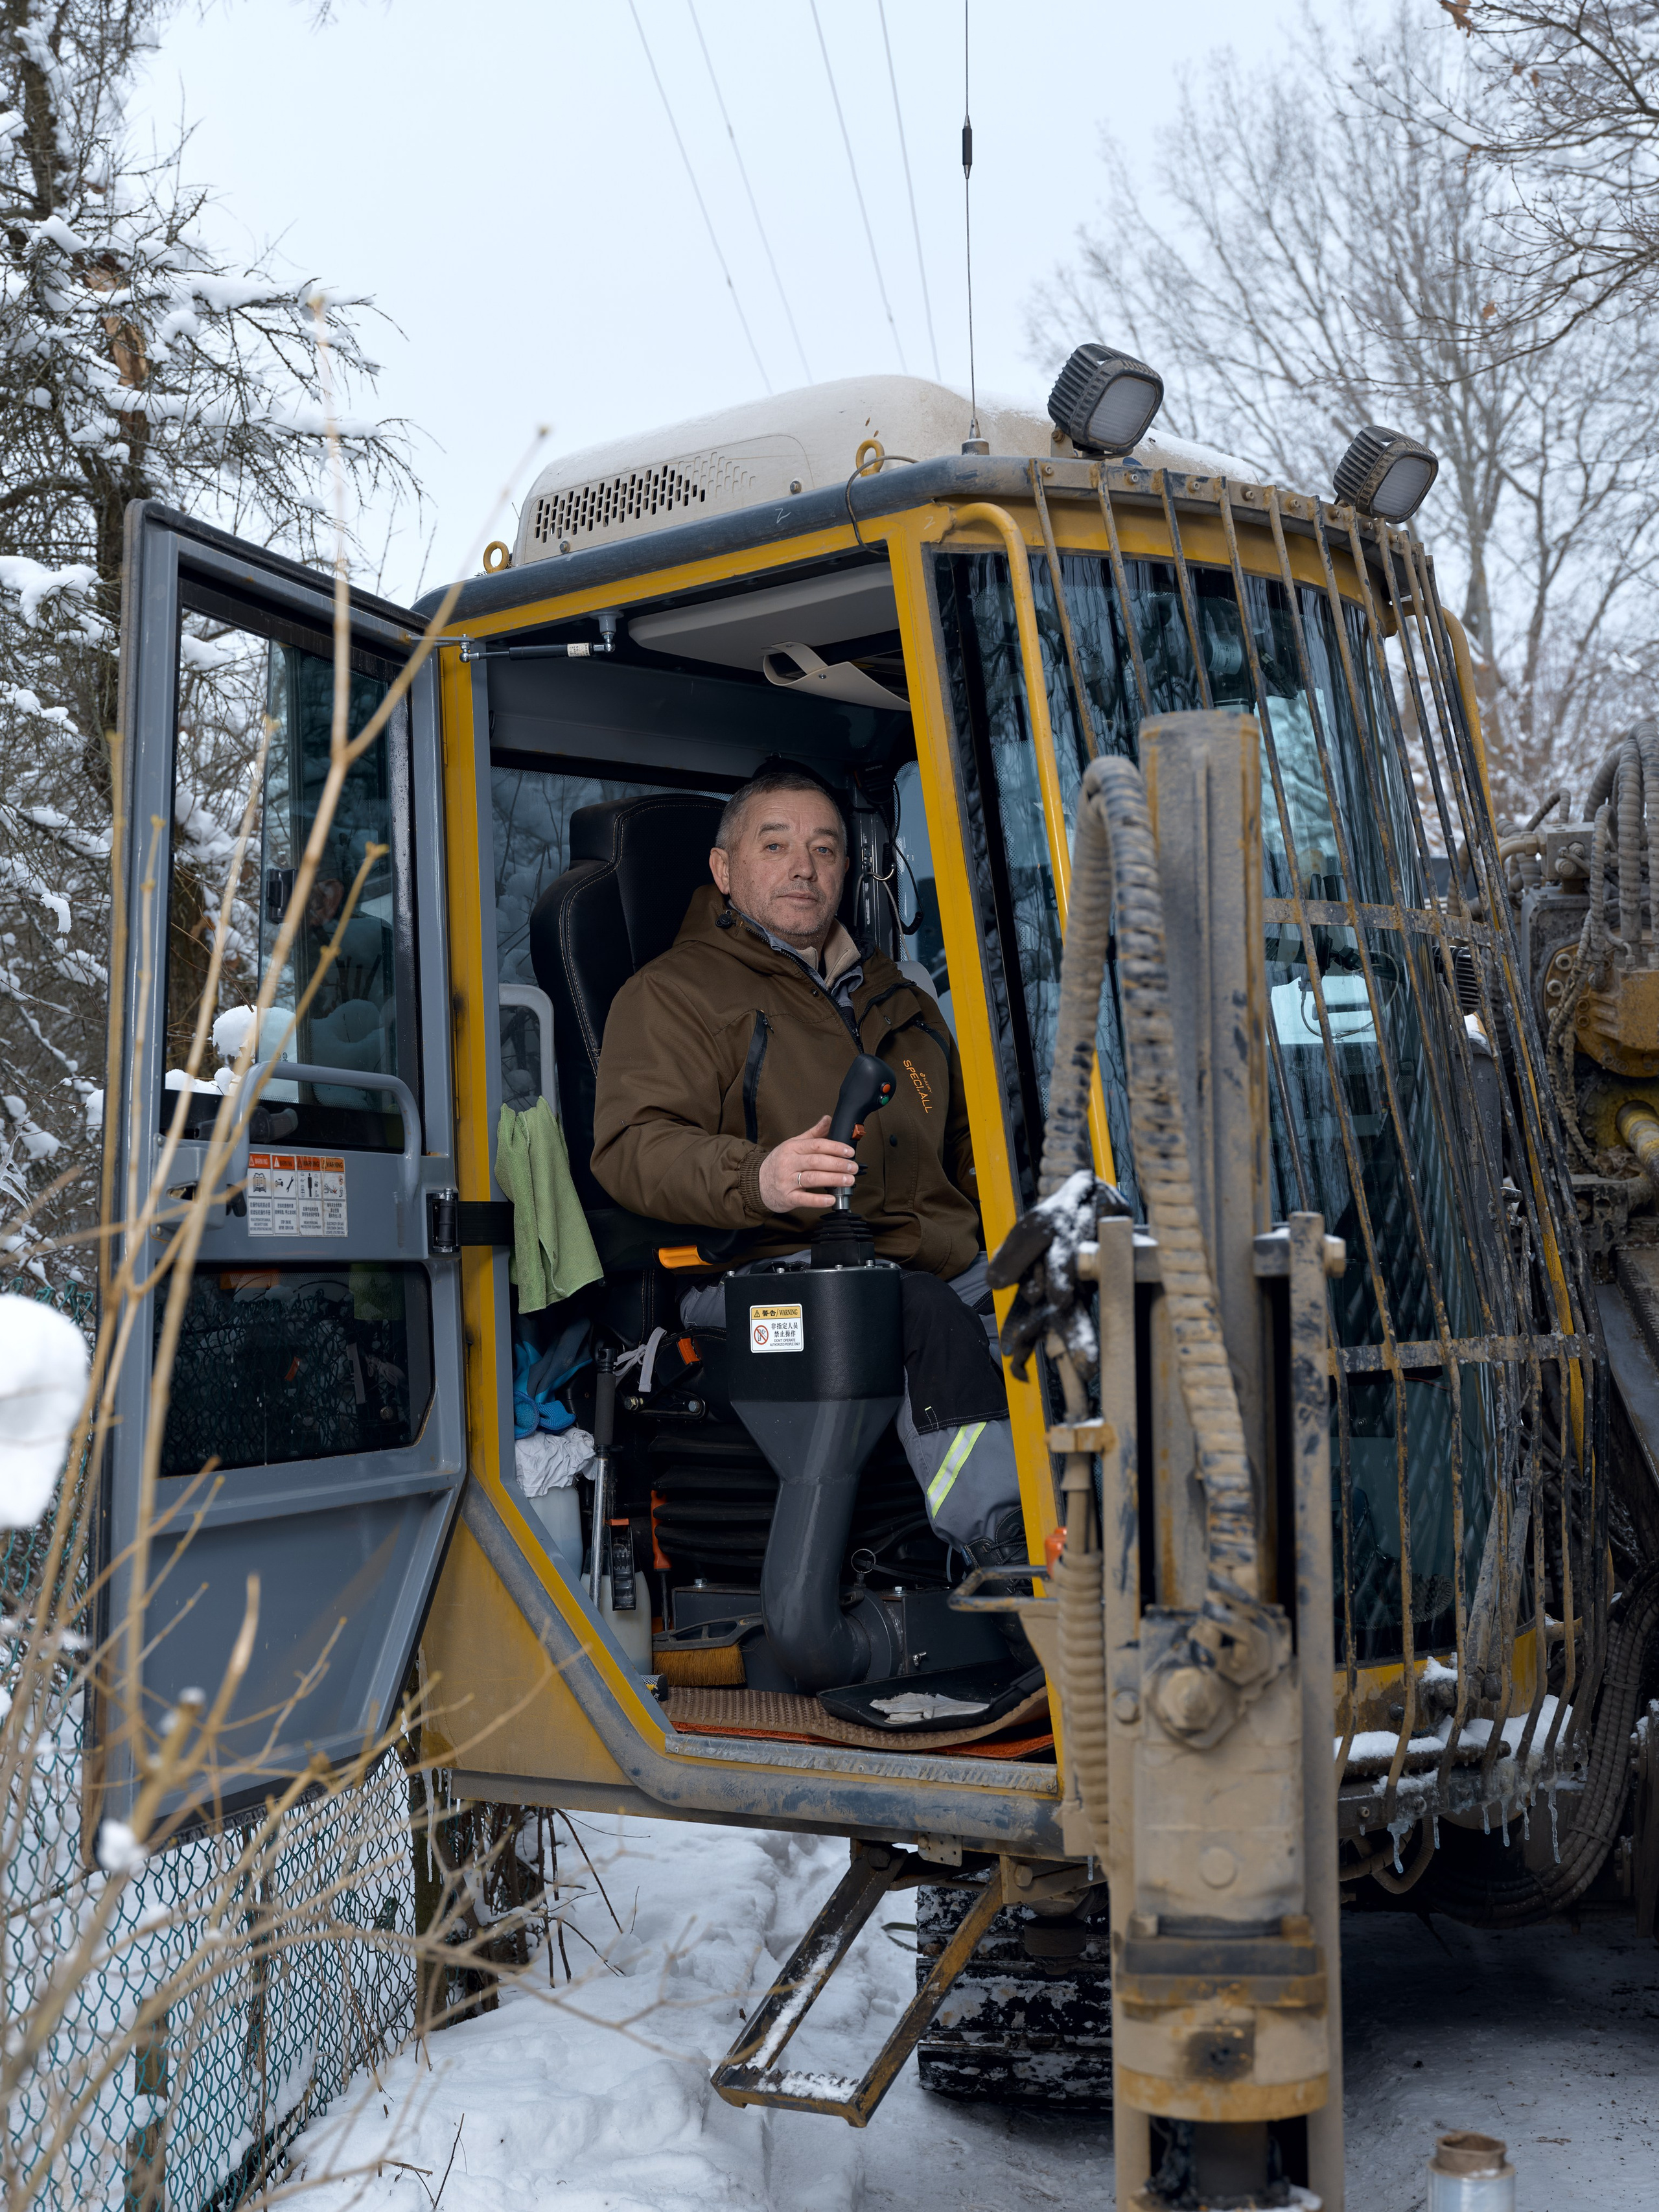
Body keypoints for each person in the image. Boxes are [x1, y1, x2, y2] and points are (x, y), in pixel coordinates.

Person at [589, 767, 1027, 1573]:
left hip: (931, 1262)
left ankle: (1135, 1532)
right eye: (776, 844)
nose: (805, 866)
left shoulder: (902, 999)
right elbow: (631, 1145)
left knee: (1087, 1291)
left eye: (824, 848)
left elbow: (970, 1157)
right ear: (724, 871)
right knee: (914, 1310)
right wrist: (757, 1175)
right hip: (762, 1278)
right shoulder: (673, 995)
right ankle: (1007, 1561)